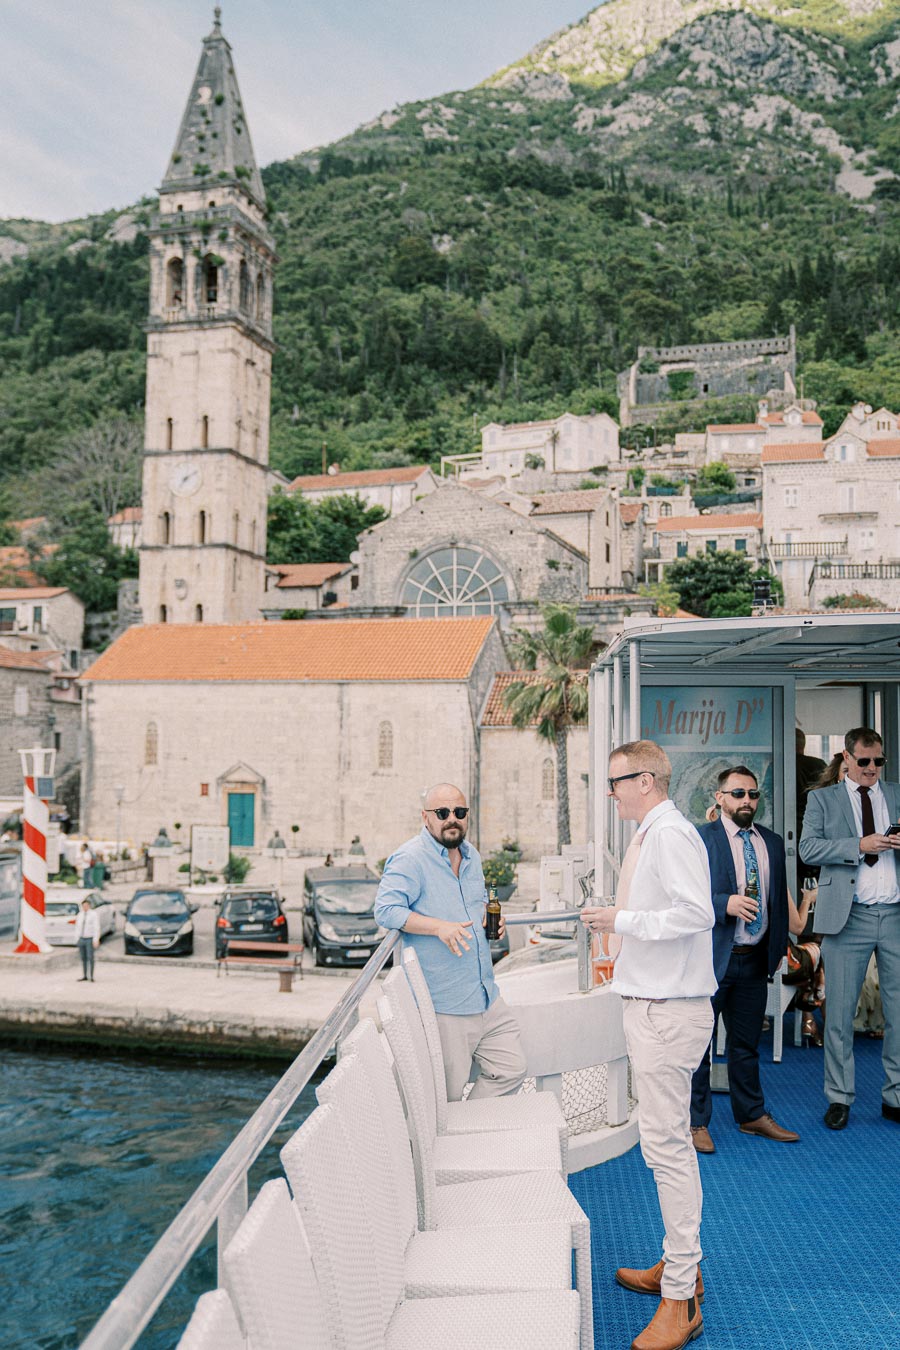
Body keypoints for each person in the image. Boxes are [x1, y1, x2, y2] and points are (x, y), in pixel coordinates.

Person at [581, 740, 714, 1350]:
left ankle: (681, 1295)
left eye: (613, 782)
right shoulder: (654, 834)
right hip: (655, 1007)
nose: (609, 794)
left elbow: (697, 915)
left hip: (668, 1014)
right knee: (662, 1146)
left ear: (644, 780)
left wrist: (620, 923)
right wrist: (622, 936)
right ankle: (680, 1263)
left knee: (667, 1149)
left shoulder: (669, 835)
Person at [374, 782, 526, 1101]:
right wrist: (438, 928)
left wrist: (489, 917)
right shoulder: (409, 859)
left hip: (486, 994)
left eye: (459, 812)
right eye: (442, 813)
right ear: (425, 817)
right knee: (446, 1096)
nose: (451, 819)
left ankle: (470, 1126)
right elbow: (386, 911)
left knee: (512, 1067)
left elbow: (475, 901)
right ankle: (459, 1144)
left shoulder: (473, 858)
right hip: (445, 1006)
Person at [689, 766, 799, 1153]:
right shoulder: (700, 841)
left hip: (754, 960)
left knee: (746, 1045)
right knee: (699, 1045)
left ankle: (751, 1115)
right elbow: (683, 900)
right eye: (738, 794)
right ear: (720, 798)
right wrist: (725, 904)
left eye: (753, 794)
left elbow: (778, 902)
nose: (747, 801)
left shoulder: (769, 841)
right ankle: (695, 1122)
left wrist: (777, 949)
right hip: (711, 959)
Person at [799, 726, 900, 1131]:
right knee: (839, 1016)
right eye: (864, 761)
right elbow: (809, 849)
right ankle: (839, 1098)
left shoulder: (896, 794)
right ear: (846, 758)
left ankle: (895, 1096)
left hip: (894, 915)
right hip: (848, 917)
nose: (872, 768)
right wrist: (860, 845)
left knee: (898, 1014)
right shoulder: (823, 799)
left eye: (878, 761)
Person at [796, 729, 827, 890]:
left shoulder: (779, 765)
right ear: (803, 744)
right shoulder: (818, 765)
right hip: (817, 828)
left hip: (790, 826)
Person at [74, 898, 100, 981]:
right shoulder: (80, 915)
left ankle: (91, 976)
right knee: (83, 958)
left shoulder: (93, 914)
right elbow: (77, 928)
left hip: (89, 938)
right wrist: (77, 938)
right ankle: (85, 975)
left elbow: (96, 927)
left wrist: (96, 939)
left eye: (86, 905)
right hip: (82, 938)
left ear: (89, 906)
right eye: (83, 906)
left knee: (90, 957)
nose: (85, 907)